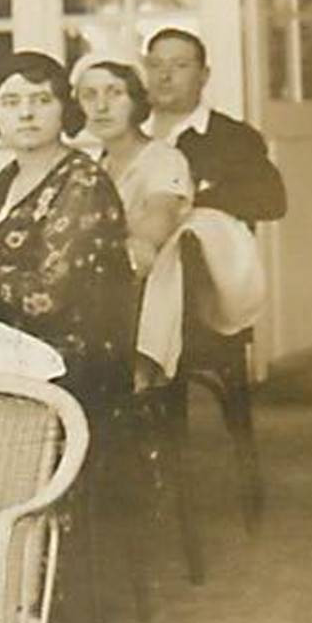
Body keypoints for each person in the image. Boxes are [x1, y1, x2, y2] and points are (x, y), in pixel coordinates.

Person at [0, 51, 133, 406]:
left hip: (70, 362)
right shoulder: (4, 181)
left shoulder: (83, 183)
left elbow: (47, 299)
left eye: (41, 100)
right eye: (10, 102)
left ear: (64, 110)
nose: (26, 114)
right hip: (10, 347)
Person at [73, 52, 194, 388]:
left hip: (149, 288)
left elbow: (156, 227)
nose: (101, 106)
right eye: (89, 95)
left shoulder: (164, 160)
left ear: (137, 100)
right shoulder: (93, 167)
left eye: (114, 93)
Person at [143, 28, 286, 226]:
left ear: (204, 75)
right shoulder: (130, 133)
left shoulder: (234, 137)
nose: (164, 76)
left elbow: (271, 202)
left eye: (180, 65)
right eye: (155, 65)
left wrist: (183, 204)